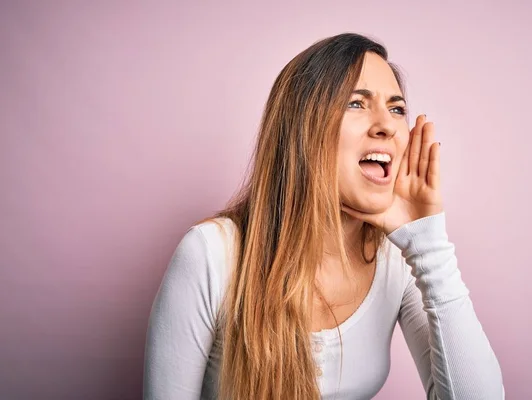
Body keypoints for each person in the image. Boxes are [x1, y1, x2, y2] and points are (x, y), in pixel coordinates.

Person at [143, 33, 504, 400]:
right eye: (356, 104)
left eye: (396, 109)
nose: (386, 125)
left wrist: (428, 244)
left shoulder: (398, 257)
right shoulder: (211, 254)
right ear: (303, 129)